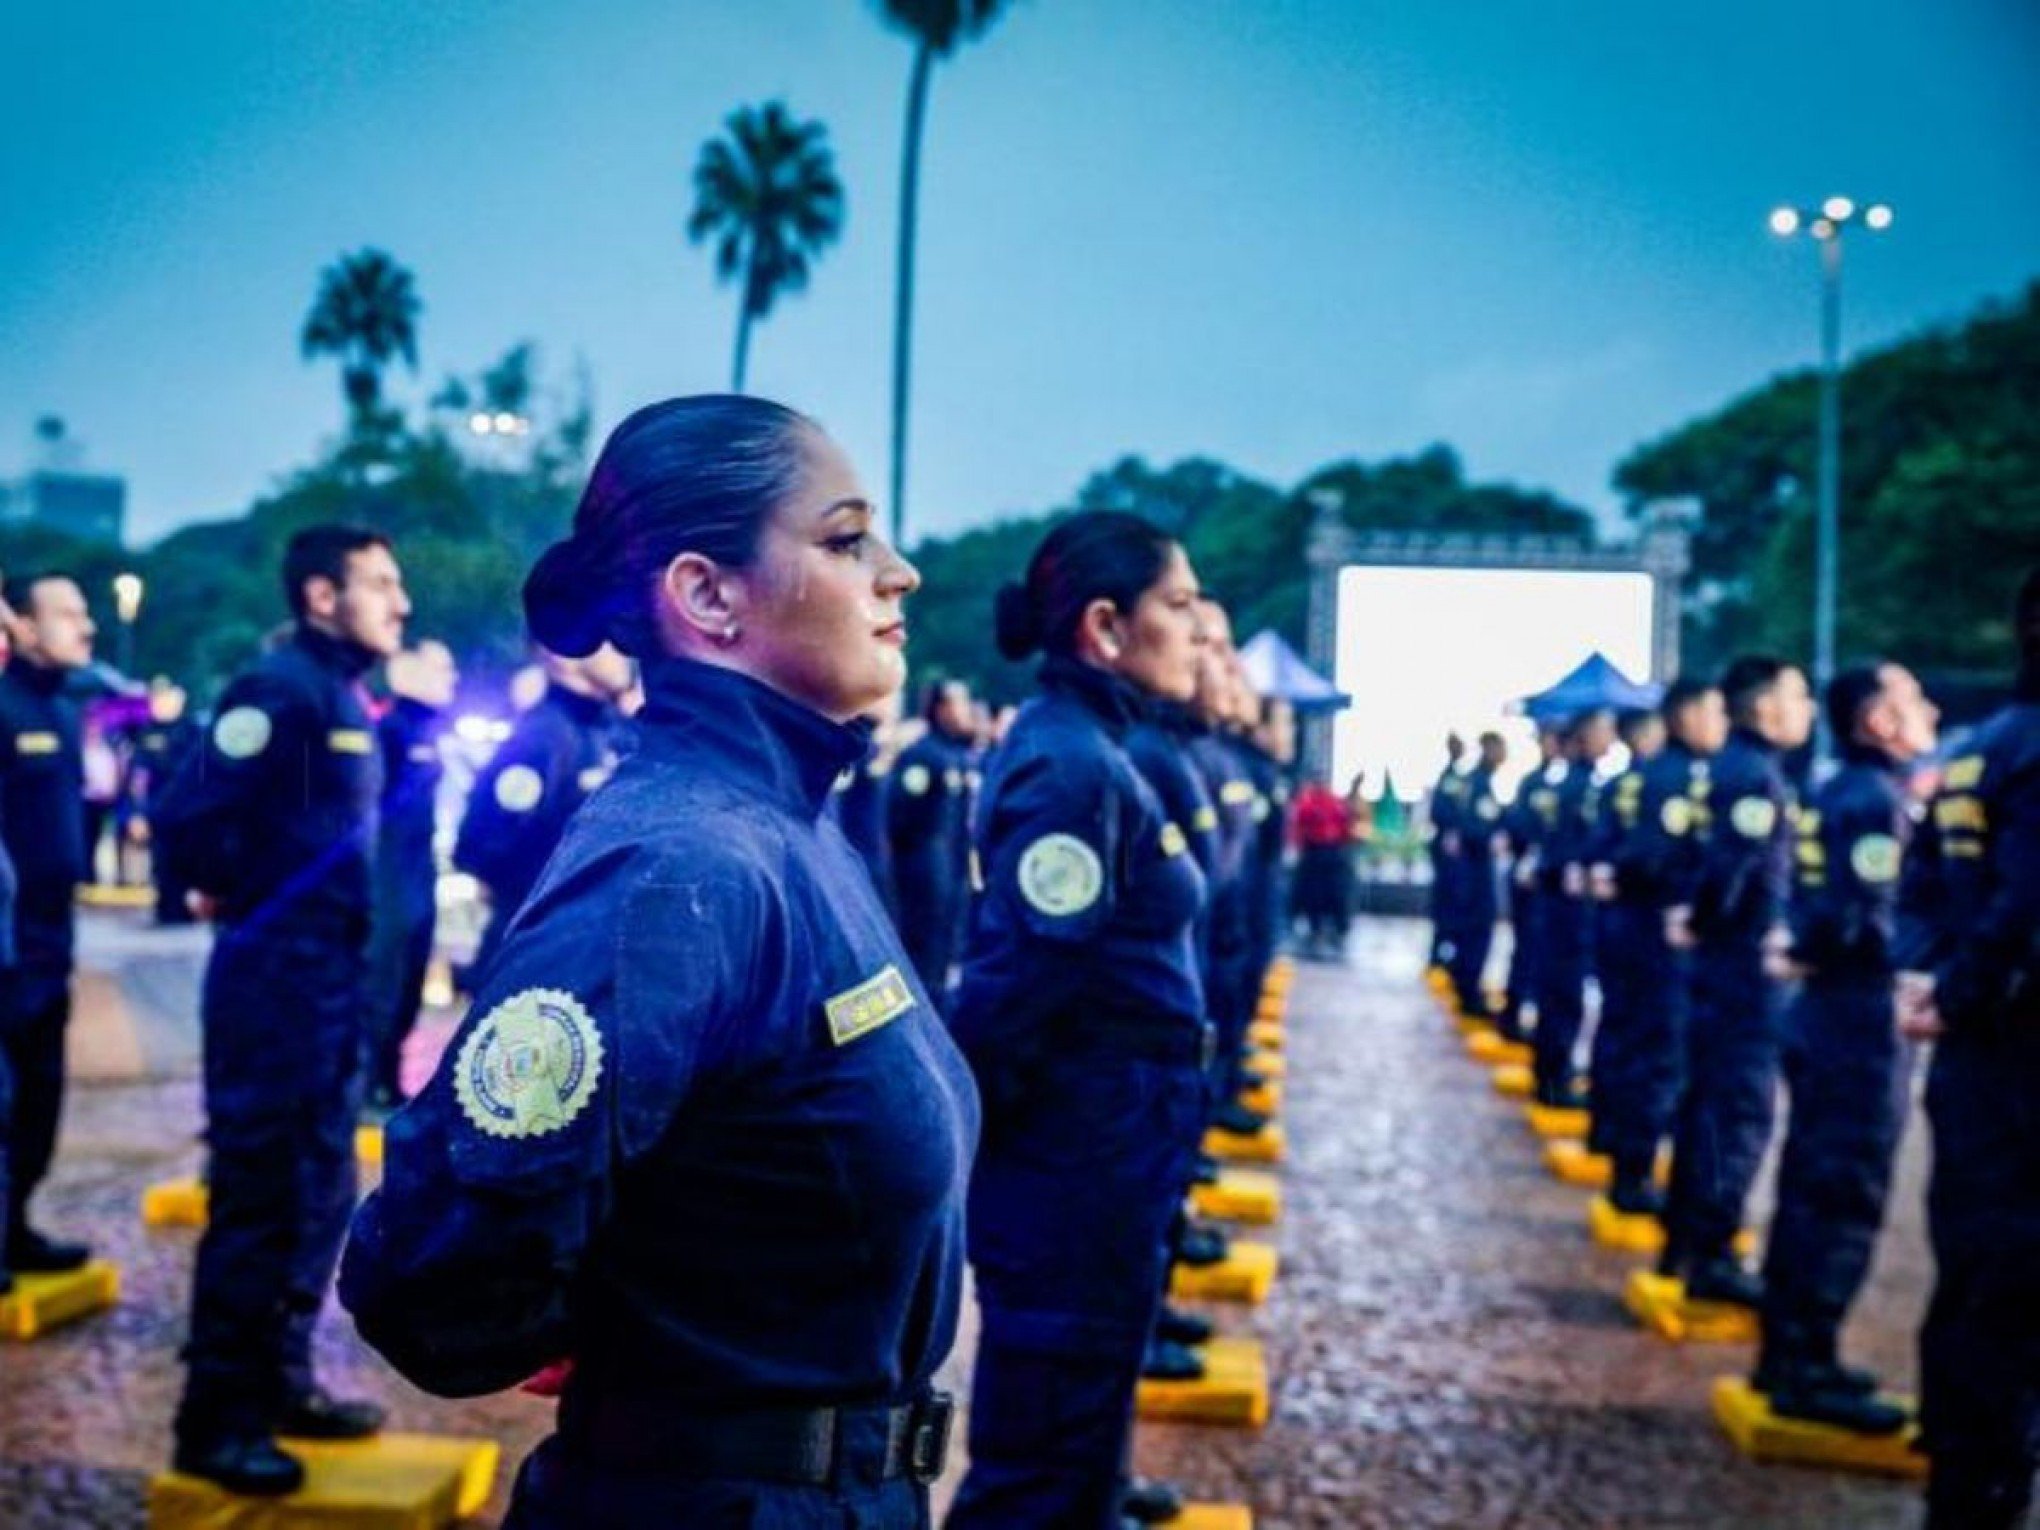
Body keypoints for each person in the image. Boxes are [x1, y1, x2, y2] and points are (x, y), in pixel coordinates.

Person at [341, 397, 974, 1529]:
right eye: (844, 540)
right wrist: (613, 1319)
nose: (900, 572)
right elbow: (438, 1273)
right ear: (706, 595)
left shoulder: (791, 825)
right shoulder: (680, 862)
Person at [944, 511, 1210, 1529]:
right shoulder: (1071, 766)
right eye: (1178, 606)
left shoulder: (1099, 747)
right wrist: (1012, 1148)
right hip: (1075, 1152)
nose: (1195, 632)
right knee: (1041, 1449)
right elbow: (1018, 990)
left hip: (1107, 1143)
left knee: (1082, 1422)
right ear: (1105, 626)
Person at [154, 526, 411, 1492]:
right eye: (380, 584)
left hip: (328, 989)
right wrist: (246, 899)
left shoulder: (338, 693)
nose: (401, 602)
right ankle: (213, 1424)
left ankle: (282, 1384)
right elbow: (188, 819)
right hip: (273, 989)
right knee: (259, 1205)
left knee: (316, 1193)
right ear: (319, 596)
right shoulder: (278, 689)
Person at [1753, 662, 1937, 1434]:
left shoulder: (1837, 790)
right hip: (1858, 1014)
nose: (1929, 710)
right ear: (1878, 723)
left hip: (1826, 1009)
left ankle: (1788, 1353)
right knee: (1844, 1190)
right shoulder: (1876, 801)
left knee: (1810, 1184)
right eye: (1912, 700)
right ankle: (1808, 1366)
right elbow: (1866, 918)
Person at [1899, 569, 2040, 1528]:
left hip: (1975, 1061)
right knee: (2010, 1292)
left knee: (1972, 1277)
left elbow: (1918, 893)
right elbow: (2026, 906)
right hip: (2021, 1054)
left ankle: (1962, 1479)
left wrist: (1932, 982)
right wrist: (1964, 984)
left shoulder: (1972, 753)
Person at [1658, 655, 1814, 1305]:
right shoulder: (1755, 776)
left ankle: (1685, 1241)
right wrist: (1707, 918)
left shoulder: (1728, 768)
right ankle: (1713, 1249)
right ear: (1765, 707)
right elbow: (1734, 868)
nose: (1807, 709)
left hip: (1720, 964)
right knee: (1740, 1111)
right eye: (1798, 695)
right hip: (1743, 967)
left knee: (1708, 1105)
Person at [0, 571, 99, 1289]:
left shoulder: (63, 711)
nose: (86, 625)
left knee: (41, 1093)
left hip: (52, 940)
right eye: (67, 613)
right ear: (22, 626)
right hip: (7, 943)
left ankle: (16, 1224)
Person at [1592, 682, 1725, 1215]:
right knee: (1658, 1052)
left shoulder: (1647, 774)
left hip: (1632, 925)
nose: (1720, 721)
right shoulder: (1678, 779)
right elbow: (1650, 856)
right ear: (1686, 714)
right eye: (1714, 710)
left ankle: (1620, 1148)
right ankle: (1634, 1170)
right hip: (1656, 931)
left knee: (1630, 1038)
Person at [452, 642, 633, 986]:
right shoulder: (540, 738)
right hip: (542, 961)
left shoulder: (614, 733)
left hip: (600, 954)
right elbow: (483, 843)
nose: (622, 651)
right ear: (564, 653)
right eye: (607, 639)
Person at [363, 640, 459, 1110]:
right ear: (407, 670)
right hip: (389, 875)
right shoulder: (389, 730)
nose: (453, 677)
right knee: (383, 980)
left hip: (419, 872)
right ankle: (366, 1084)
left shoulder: (430, 731)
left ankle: (388, 1077)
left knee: (410, 981)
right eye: (442, 667)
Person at [886, 678, 977, 1006]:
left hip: (952, 869)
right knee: (923, 953)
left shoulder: (956, 756)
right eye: (957, 703)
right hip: (925, 871)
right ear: (939, 709)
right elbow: (900, 819)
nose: (965, 712)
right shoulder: (921, 756)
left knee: (947, 951)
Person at [1499, 724, 1564, 1042]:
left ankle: (1526, 1011)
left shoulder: (1559, 782)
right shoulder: (1534, 783)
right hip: (1532, 879)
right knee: (1527, 947)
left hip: (1547, 880)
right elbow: (1517, 825)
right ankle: (1513, 1013)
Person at [1444, 733, 1508, 1018]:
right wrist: (1493, 837)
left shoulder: (1477, 781)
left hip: (1470, 870)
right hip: (1474, 870)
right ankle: (1468, 993)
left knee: (1472, 929)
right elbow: (1473, 826)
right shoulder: (1478, 783)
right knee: (1476, 930)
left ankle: (1467, 987)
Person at [1289, 773, 1354, 957]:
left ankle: (1336, 928)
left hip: (1332, 852)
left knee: (1336, 893)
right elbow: (1300, 824)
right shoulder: (1308, 801)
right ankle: (1316, 927)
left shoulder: (1334, 802)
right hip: (1314, 851)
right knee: (1314, 893)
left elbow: (1345, 824)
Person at [1426, 733, 1470, 970]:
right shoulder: (1451, 778)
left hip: (1451, 851)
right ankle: (1439, 952)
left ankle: (1443, 950)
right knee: (1448, 901)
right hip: (1448, 853)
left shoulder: (1456, 776)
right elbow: (1441, 811)